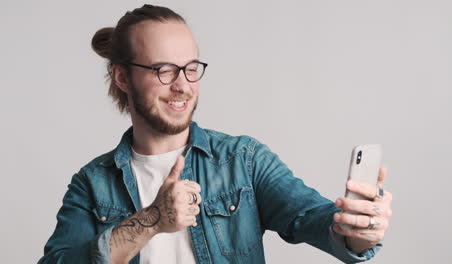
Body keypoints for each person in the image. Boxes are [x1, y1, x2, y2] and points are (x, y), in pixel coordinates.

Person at [38, 4, 393, 264]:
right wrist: (150, 221)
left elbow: (314, 220)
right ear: (122, 77)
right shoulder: (92, 184)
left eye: (191, 69)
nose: (183, 86)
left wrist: (357, 232)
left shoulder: (244, 162)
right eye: (164, 69)